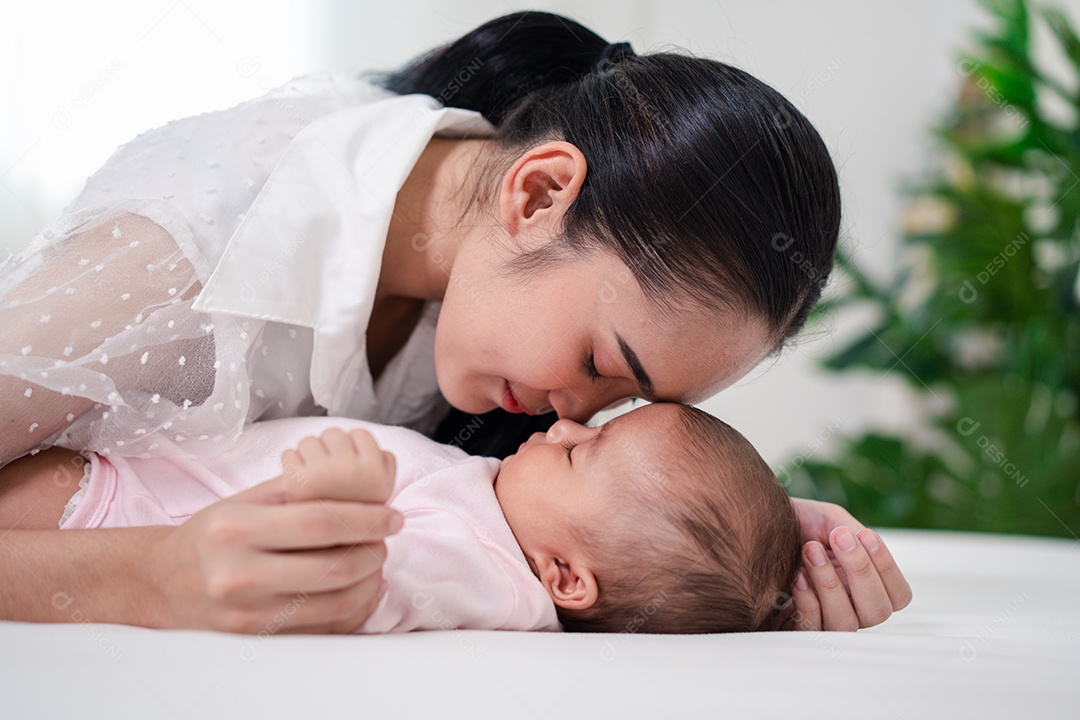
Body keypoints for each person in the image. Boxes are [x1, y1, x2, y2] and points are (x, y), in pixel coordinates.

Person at [0, 11, 910, 633]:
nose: (572, 418)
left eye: (623, 413)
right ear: (541, 191)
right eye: (601, 361)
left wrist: (703, 557)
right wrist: (151, 579)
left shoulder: (473, 286)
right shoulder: (171, 264)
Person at [1, 402, 816, 634]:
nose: (562, 425)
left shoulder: (488, 574)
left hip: (107, 513)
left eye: (580, 452)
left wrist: (343, 506)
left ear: (564, 577)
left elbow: (369, 583)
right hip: (126, 471)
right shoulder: (502, 503)